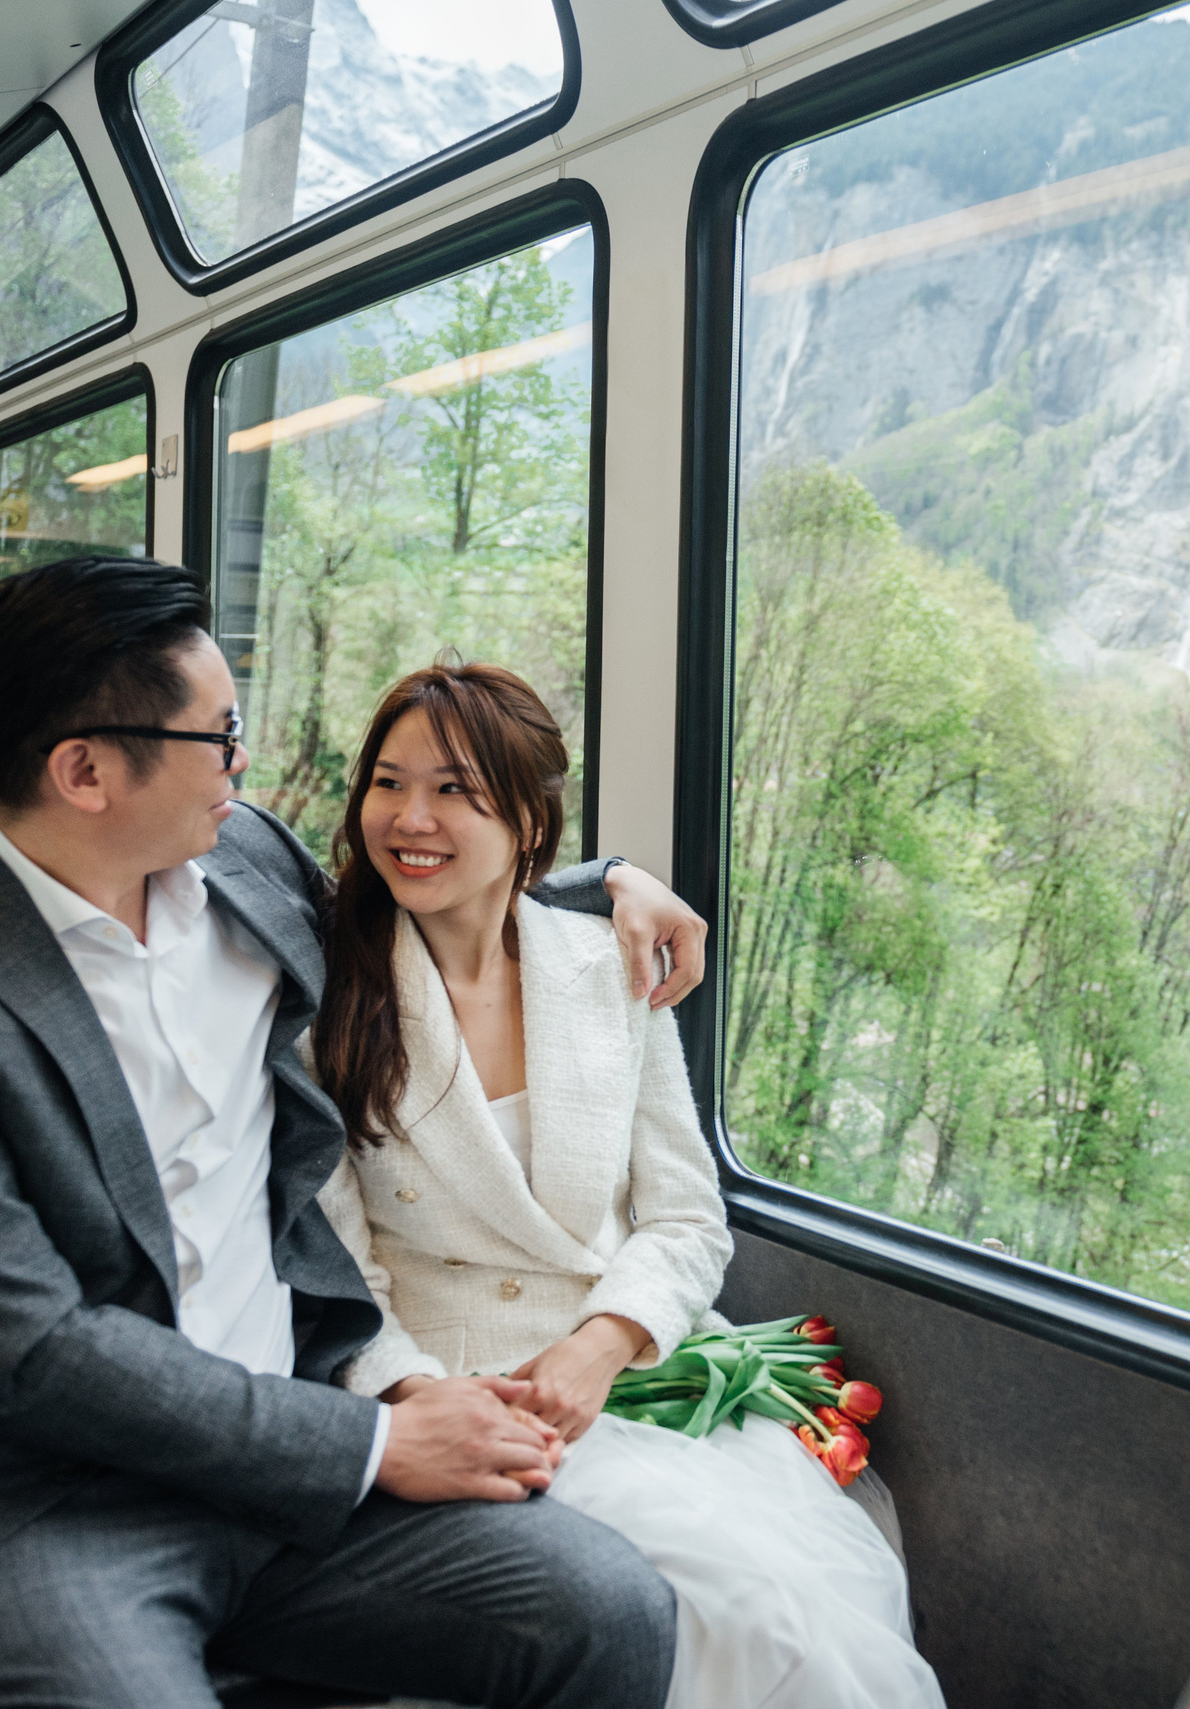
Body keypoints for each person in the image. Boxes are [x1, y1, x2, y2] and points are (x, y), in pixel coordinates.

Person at [0, 556, 712, 1709]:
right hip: (41, 1498)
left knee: (606, 1609)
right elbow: (29, 1350)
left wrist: (619, 879)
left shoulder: (246, 863)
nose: (245, 763)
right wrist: (370, 1446)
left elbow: (429, 883)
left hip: (293, 1468)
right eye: (219, 737)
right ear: (84, 769)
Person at [314, 663, 944, 1709]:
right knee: (738, 1613)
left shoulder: (607, 965)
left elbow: (689, 1214)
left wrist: (601, 1344)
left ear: (526, 818)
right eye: (388, 782)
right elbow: (334, 1267)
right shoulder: (324, 993)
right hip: (461, 1399)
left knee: (802, 1615)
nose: (410, 817)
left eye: (456, 790)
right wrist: (426, 1399)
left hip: (622, 1377)